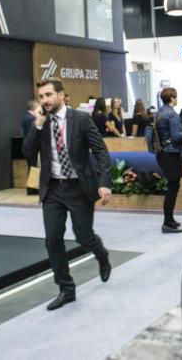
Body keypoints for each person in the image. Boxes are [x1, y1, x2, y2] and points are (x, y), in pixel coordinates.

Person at [23, 79, 113, 311]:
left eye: (49, 95)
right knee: (52, 240)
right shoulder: (41, 123)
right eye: (41, 96)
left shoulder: (81, 119)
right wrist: (38, 126)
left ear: (61, 95)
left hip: (78, 188)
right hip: (52, 189)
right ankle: (66, 289)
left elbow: (101, 151)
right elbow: (28, 152)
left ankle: (101, 255)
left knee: (84, 236)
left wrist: (104, 183)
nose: (44, 100)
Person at [155, 87, 182, 233]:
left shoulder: (159, 112)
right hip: (172, 153)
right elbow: (176, 136)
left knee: (171, 187)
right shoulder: (172, 114)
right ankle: (167, 222)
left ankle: (170, 219)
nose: (177, 98)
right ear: (172, 98)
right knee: (173, 189)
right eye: (176, 96)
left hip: (162, 152)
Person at [22, 100, 41, 195]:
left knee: (32, 167)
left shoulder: (26, 117)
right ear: (34, 108)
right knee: (33, 167)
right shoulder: (31, 119)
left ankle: (32, 188)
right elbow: (33, 133)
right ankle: (32, 189)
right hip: (31, 147)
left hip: (27, 147)